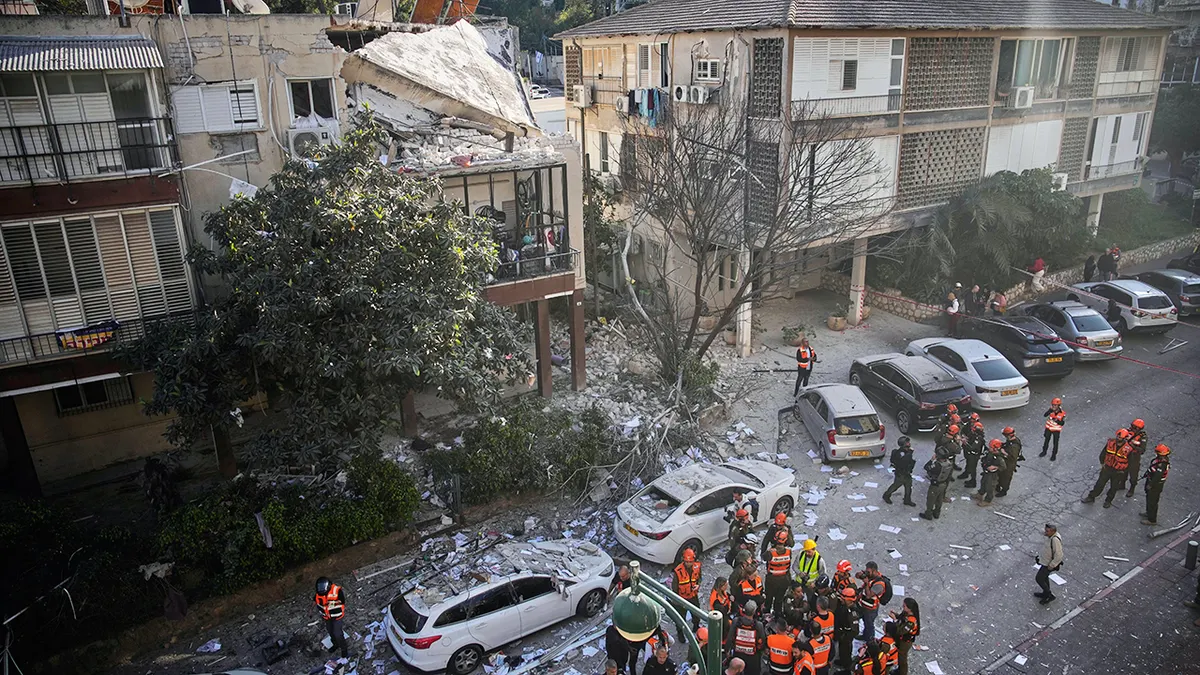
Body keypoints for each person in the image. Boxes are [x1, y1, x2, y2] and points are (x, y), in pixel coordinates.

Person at [1082, 429, 1133, 507]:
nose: (1118, 438)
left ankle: (1108, 501)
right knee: (1099, 484)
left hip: (1118, 471)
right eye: (1118, 436)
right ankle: (1091, 497)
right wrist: (1102, 463)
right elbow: (1103, 453)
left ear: (1125, 438)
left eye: (1120, 437)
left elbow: (1130, 462)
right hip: (1107, 468)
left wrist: (1124, 471)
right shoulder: (1110, 443)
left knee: (1114, 488)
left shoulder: (1129, 449)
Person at [314, 576, 349, 659]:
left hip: (337, 617)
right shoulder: (319, 593)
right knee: (330, 632)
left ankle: (344, 649)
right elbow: (315, 599)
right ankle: (335, 644)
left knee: (338, 634)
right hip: (327, 617)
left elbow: (342, 601)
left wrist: (330, 603)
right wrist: (311, 610)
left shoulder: (337, 591)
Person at [728, 601, 766, 675]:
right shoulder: (759, 625)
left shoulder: (736, 621)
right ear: (754, 611)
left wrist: (727, 650)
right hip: (753, 657)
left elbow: (730, 637)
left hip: (738, 654)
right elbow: (763, 641)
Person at [1033, 523, 1065, 605]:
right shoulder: (1051, 537)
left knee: (1039, 578)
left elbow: (1059, 555)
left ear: (1053, 532)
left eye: (1047, 531)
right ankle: (1045, 593)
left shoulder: (1055, 540)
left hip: (1049, 564)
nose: (1045, 532)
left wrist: (1052, 565)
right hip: (1046, 562)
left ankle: (1049, 595)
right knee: (1044, 577)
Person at [1140, 443, 1171, 526]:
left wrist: (1150, 485)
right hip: (1151, 481)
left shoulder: (1162, 464)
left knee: (1152, 501)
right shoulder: (1159, 460)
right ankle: (1149, 513)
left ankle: (1152, 520)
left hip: (1155, 485)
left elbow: (1157, 476)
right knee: (1149, 499)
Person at [673, 547, 702, 634]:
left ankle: (696, 627)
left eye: (690, 562)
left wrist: (698, 585)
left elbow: (699, 578)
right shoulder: (678, 571)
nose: (688, 564)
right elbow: (674, 587)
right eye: (686, 562)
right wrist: (677, 601)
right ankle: (680, 633)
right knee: (680, 618)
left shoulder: (697, 567)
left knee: (697, 614)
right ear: (683, 560)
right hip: (682, 598)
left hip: (693, 595)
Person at [855, 562, 887, 642]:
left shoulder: (879, 584)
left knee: (869, 625)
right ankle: (864, 635)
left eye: (868, 572)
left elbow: (868, 595)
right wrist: (860, 575)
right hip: (863, 605)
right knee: (864, 622)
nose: (867, 573)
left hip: (871, 609)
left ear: (874, 571)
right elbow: (856, 576)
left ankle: (870, 640)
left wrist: (866, 583)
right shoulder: (870, 577)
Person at [882, 436, 917, 507]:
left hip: (907, 474)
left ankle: (907, 500)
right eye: (907, 443)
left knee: (908, 487)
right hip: (901, 474)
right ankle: (886, 495)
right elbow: (904, 461)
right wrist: (910, 453)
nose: (909, 444)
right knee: (895, 486)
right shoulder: (900, 453)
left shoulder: (906, 451)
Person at [765, 533, 794, 617]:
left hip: (772, 580)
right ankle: (777, 614)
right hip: (784, 580)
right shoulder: (789, 552)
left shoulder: (770, 552)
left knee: (769, 598)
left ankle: (766, 613)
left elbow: (764, 557)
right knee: (779, 599)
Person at [832, 588, 860, 674]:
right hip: (842, 633)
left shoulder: (852, 613)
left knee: (846, 650)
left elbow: (855, 630)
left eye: (843, 599)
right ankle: (842, 660)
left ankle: (847, 666)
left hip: (846, 636)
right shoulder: (844, 606)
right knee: (842, 649)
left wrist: (844, 636)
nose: (841, 600)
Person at [890, 598, 920, 675]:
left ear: (910, 608)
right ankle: (899, 670)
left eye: (904, 606)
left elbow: (901, 631)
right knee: (900, 656)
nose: (903, 607)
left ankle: (902, 672)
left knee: (902, 658)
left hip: (906, 641)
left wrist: (894, 620)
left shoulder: (911, 621)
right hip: (901, 639)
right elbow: (901, 619)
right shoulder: (906, 613)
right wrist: (896, 615)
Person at [919, 452, 953, 520]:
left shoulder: (937, 465)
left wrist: (931, 460)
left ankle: (928, 514)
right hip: (943, 484)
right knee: (939, 500)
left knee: (930, 500)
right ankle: (937, 513)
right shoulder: (949, 464)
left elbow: (926, 467)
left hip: (935, 485)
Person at [975, 440, 1005, 507]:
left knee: (990, 487)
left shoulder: (999, 458)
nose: (989, 448)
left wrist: (995, 467)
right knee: (983, 482)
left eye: (991, 447)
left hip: (992, 475)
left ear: (995, 448)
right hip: (986, 472)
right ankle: (980, 494)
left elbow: (1003, 467)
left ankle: (987, 500)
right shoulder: (990, 453)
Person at [996, 426, 1023, 498]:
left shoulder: (1014, 446)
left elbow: (1012, 457)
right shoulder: (1012, 441)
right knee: (1000, 475)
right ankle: (998, 486)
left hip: (1009, 465)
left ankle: (1004, 491)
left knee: (1006, 478)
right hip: (1005, 463)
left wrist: (1004, 452)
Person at [1125, 418, 1148, 498]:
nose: (1132, 428)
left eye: (1135, 427)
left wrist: (1132, 445)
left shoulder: (1142, 437)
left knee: (1133, 474)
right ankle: (1121, 484)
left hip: (1134, 457)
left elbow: (1142, 450)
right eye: (1132, 426)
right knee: (1122, 471)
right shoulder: (1128, 432)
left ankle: (1132, 488)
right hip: (1125, 454)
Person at [960, 421, 984, 488]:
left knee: (973, 468)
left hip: (974, 455)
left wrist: (965, 442)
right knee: (968, 463)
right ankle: (967, 473)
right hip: (970, 454)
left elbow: (972, 447)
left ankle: (973, 481)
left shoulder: (978, 438)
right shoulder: (974, 434)